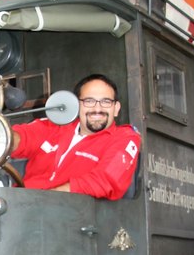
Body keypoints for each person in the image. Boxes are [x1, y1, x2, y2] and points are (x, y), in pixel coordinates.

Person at [10, 74, 141, 200]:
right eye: (89, 101)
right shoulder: (53, 126)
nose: (97, 108)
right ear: (76, 105)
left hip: (72, 215)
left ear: (116, 108)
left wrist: (45, 200)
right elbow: (19, 138)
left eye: (106, 101)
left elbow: (106, 180)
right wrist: (3, 138)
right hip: (19, 207)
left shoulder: (125, 138)